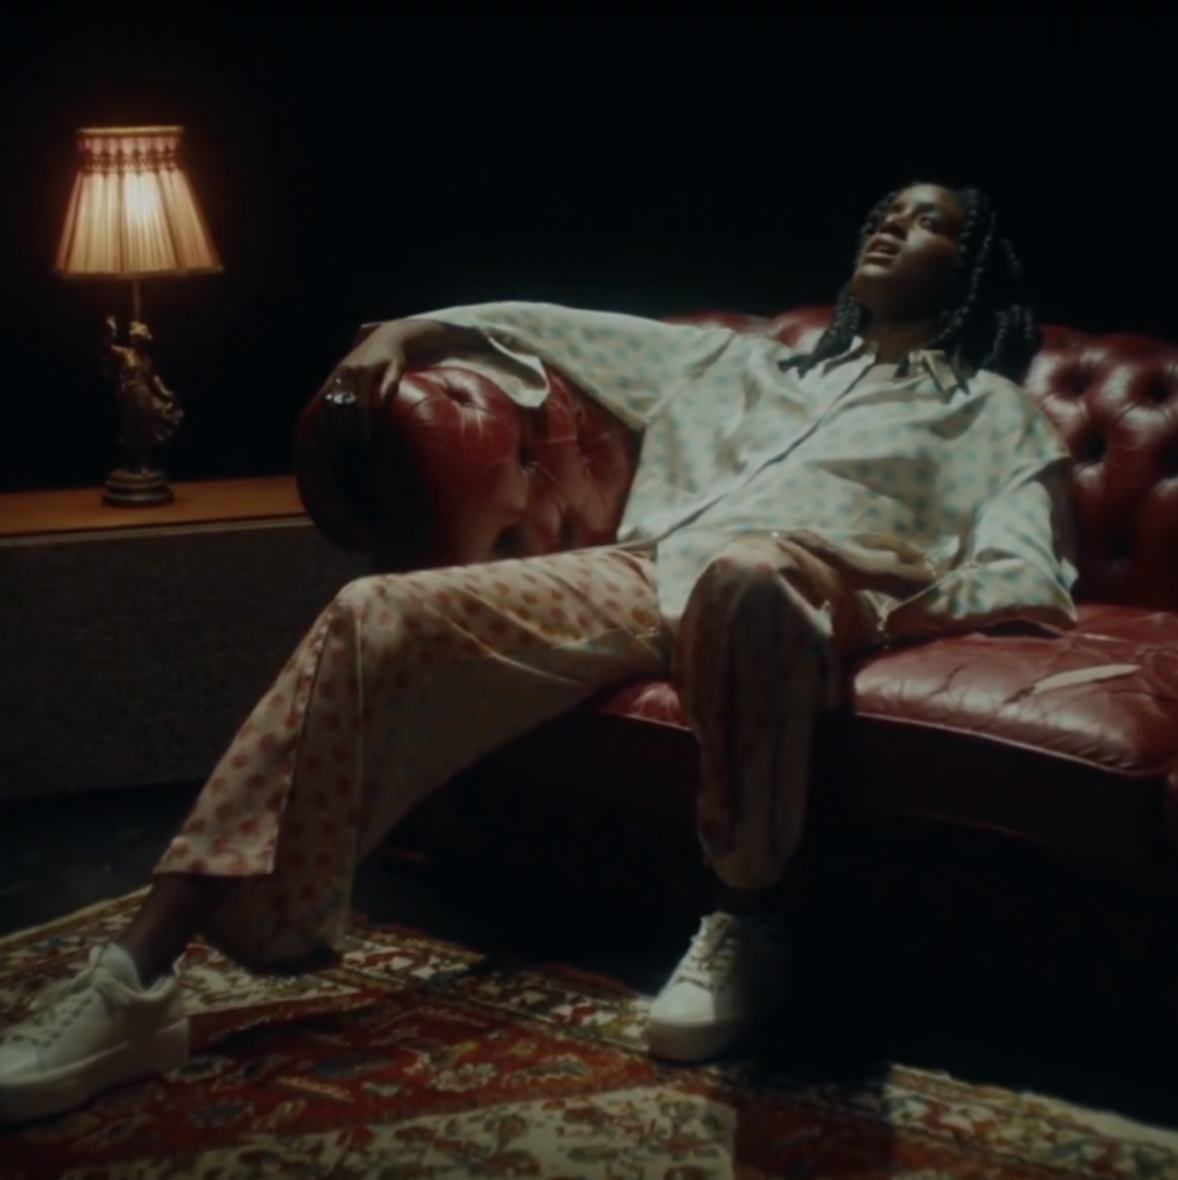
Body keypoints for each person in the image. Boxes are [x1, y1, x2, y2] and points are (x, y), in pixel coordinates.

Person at [0, 182, 1078, 1124]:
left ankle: (748, 919)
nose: (890, 226)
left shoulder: (991, 414)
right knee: (375, 610)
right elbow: (552, 326)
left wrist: (877, 604)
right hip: (643, 573)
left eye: (927, 221)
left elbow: (1026, 573)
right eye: (884, 211)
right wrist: (402, 335)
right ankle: (133, 981)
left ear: (972, 264)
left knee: (749, 573)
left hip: (801, 586)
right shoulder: (744, 364)